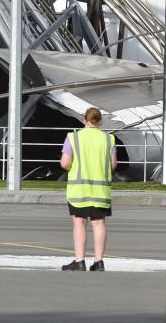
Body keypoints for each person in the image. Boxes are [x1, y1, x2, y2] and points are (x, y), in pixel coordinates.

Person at [59, 107, 117, 272]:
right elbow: (113, 165)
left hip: (79, 189)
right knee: (99, 223)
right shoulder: (109, 140)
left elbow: (64, 163)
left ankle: (80, 261)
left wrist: (71, 167)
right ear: (100, 121)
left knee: (79, 223)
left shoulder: (73, 138)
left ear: (84, 120)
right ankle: (99, 262)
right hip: (100, 190)